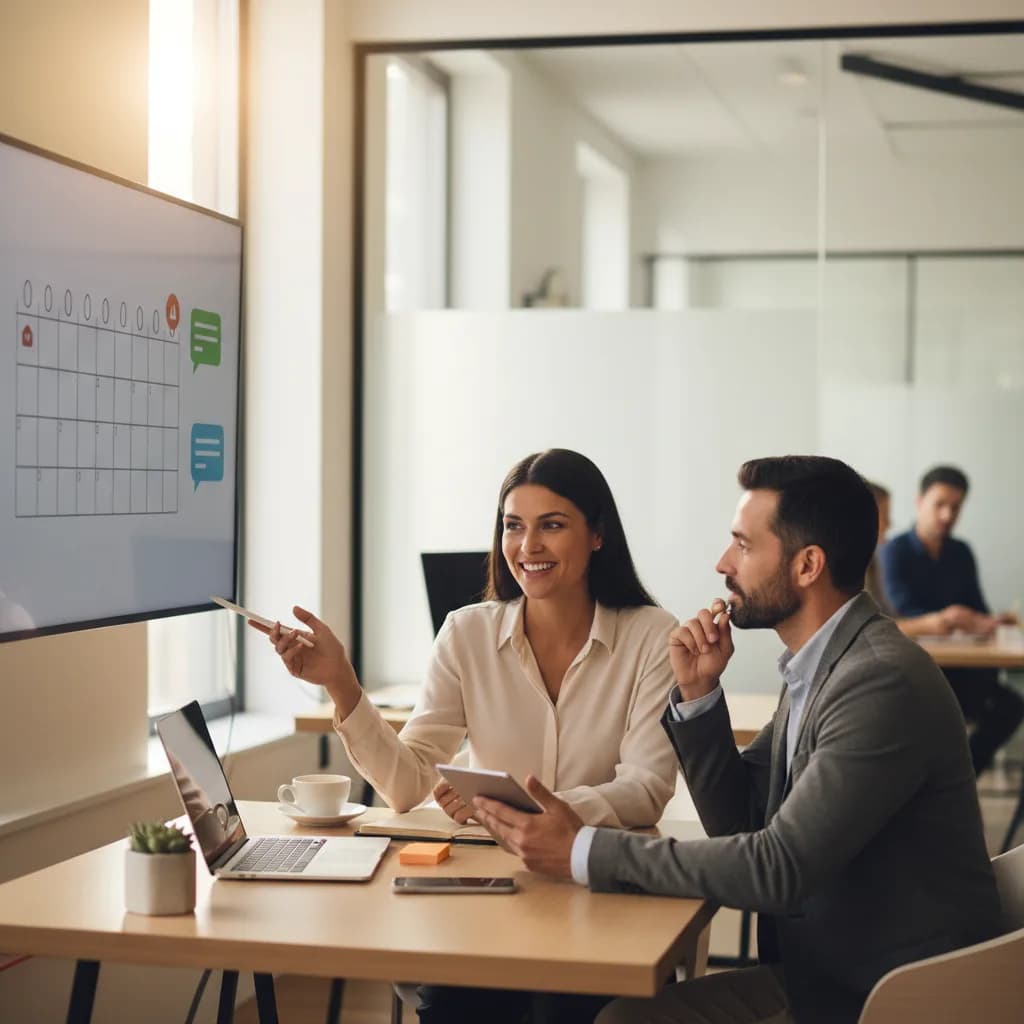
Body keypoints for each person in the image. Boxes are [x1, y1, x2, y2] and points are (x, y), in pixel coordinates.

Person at [473, 456, 1002, 1024]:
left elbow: (777, 868)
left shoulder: (878, 681)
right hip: (827, 977)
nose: (723, 563)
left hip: (889, 999)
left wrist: (582, 848)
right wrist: (698, 694)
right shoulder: (820, 668)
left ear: (807, 566)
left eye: (743, 546)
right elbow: (743, 824)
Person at [260, 448, 680, 1024]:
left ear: (598, 535)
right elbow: (408, 785)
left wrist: (524, 809)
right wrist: (342, 685)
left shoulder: (652, 637)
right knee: (459, 1003)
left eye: (551, 526)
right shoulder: (466, 632)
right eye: (513, 526)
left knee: (567, 1008)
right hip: (493, 890)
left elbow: (647, 785)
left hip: (600, 879)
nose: (527, 547)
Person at [881, 465, 1024, 774]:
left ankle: (961, 775)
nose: (947, 515)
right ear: (920, 502)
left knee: (1011, 705)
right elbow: (902, 610)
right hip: (916, 670)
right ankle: (944, 778)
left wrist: (994, 622)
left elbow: (978, 607)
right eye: (940, 505)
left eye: (955, 507)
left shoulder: (961, 552)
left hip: (963, 670)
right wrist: (951, 619)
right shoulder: (894, 551)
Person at [864, 480, 974, 636]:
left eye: (955, 507)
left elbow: (887, 620)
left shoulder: (873, 563)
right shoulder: (890, 551)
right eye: (884, 515)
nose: (890, 523)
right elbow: (873, 628)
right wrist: (939, 621)